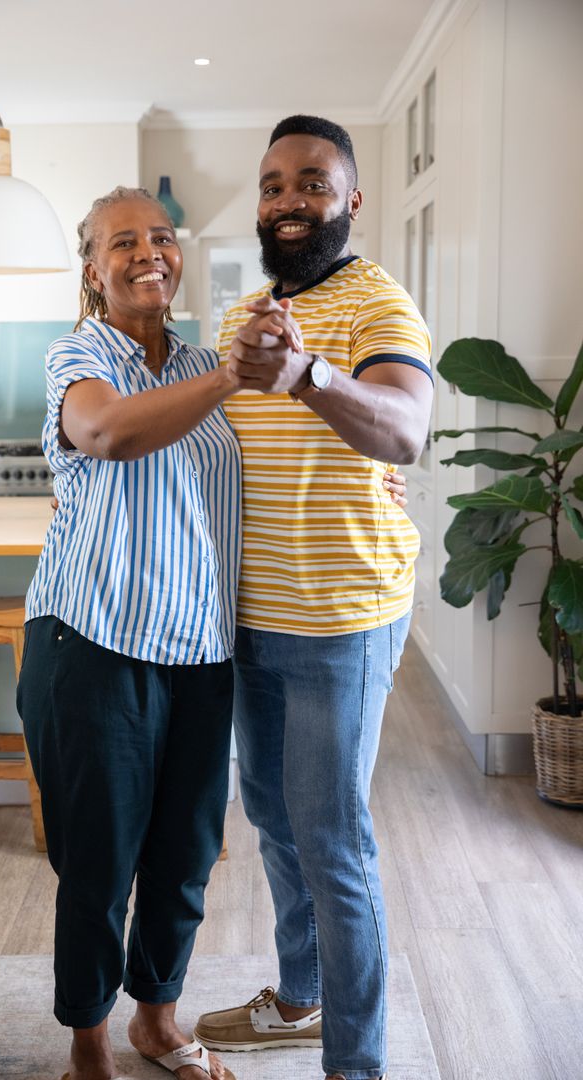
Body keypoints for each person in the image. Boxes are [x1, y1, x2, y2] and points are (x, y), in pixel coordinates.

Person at [17, 183, 408, 1080]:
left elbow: (287, 449)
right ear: (92, 268)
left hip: (199, 653)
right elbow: (108, 432)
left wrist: (373, 484)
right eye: (123, 242)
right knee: (100, 861)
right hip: (95, 645)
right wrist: (232, 373)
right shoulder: (79, 355)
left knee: (186, 856)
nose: (148, 251)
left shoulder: (201, 361)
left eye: (160, 236)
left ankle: (157, 1020)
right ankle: (88, 1043)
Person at [194, 116, 434, 1080]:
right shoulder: (235, 320)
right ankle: (300, 997)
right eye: (273, 185)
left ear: (351, 201)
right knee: (276, 821)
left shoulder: (380, 304)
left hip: (343, 617)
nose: (289, 199)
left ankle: (356, 1064)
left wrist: (310, 375)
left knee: (333, 841)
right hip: (254, 617)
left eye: (313, 183)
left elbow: (405, 430)